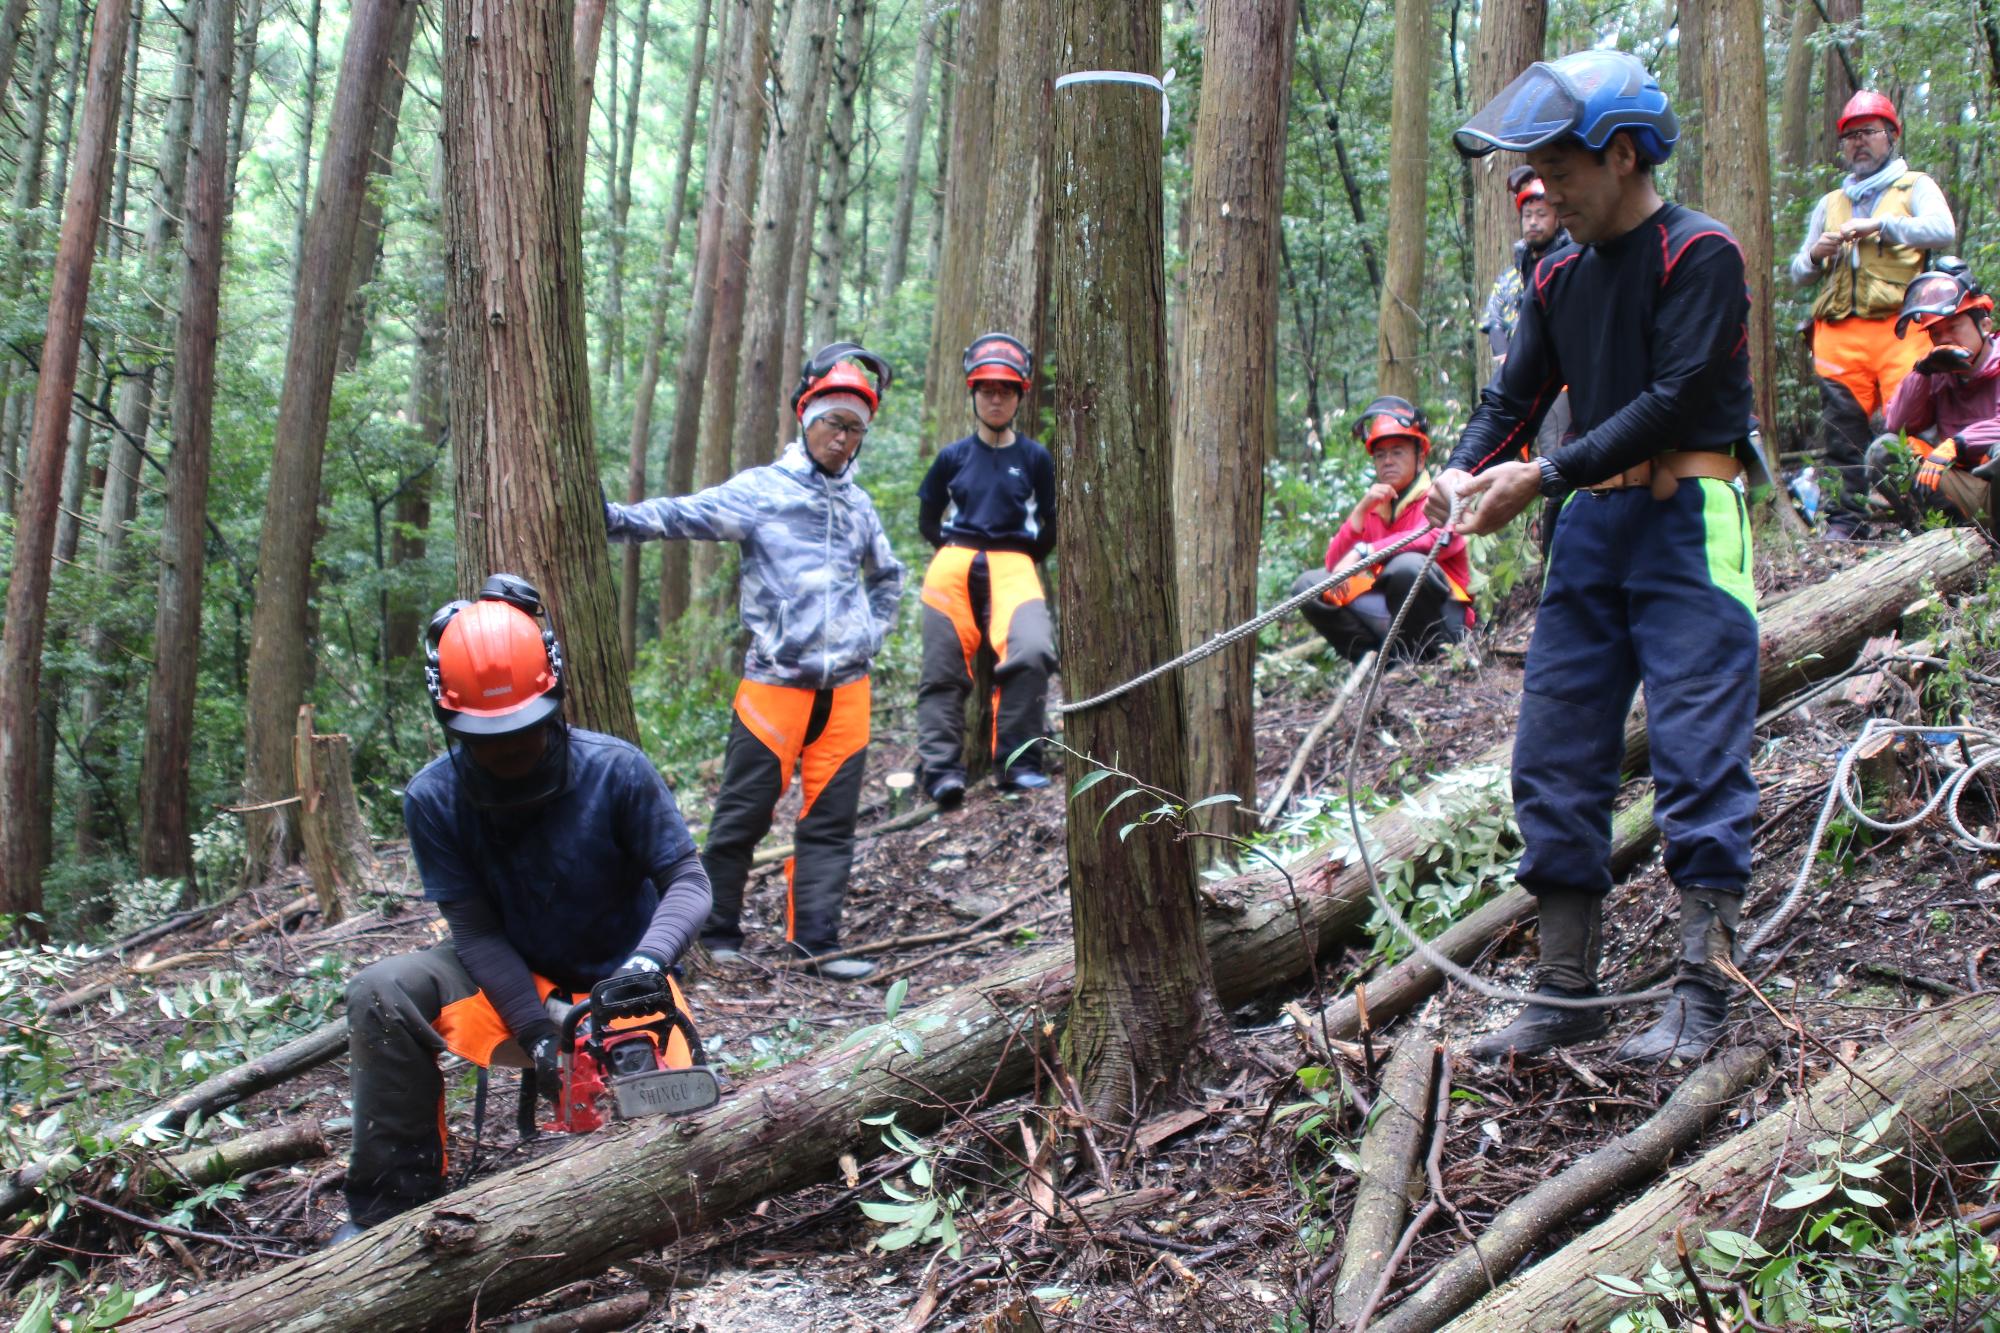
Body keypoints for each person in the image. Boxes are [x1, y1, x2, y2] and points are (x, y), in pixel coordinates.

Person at [1439, 50, 1759, 1066]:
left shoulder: (1700, 253)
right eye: (1535, 173)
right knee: (1553, 753)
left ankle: (1702, 989)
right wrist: (1459, 473)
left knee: (1696, 745)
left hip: (1688, 517)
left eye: (1561, 171)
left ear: (1622, 155)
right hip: (1585, 530)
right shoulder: (1557, 273)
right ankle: (1565, 992)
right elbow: (1512, 398)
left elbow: (1670, 398)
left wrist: (1539, 473)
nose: (1547, 193)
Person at [337, 575, 711, 1240]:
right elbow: (475, 930)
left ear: (553, 696)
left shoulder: (616, 770)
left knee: (669, 1155)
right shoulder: (434, 798)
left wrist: (648, 963)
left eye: (523, 730)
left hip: (623, 980)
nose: (510, 749)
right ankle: (387, 1211)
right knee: (382, 992)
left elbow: (687, 877)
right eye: (489, 737)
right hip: (508, 977)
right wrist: (537, 1032)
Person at [606, 344, 905, 981]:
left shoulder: (858, 505)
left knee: (831, 822)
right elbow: (685, 513)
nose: (842, 438)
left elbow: (889, 576)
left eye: (855, 428)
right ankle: (716, 933)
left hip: (847, 691)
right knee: (741, 816)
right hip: (775, 686)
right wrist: (611, 521)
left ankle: (816, 943)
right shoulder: (765, 491)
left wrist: (870, 633)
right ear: (807, 419)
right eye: (833, 422)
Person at [1788, 90, 1956, 537]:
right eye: (1850, 136)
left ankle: (1926, 519)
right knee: (1841, 435)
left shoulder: (1914, 186)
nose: (1858, 142)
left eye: (1868, 132)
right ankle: (1847, 521)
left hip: (1902, 330)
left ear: (1891, 136)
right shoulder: (1830, 203)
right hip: (1839, 336)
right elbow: (1799, 272)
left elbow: (1943, 229)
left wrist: (1881, 226)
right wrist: (1817, 254)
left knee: (1915, 429)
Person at [914, 333, 1058, 808]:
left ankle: (1019, 765)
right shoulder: (952, 456)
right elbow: (928, 518)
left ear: (1019, 396)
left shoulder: (1035, 458)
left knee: (1032, 651)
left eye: (1005, 391)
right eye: (987, 390)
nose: (996, 399)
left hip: (1014, 562)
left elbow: (1051, 523)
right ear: (973, 394)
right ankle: (941, 772)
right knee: (942, 670)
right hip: (954, 561)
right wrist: (953, 551)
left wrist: (1022, 556)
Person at [1291, 396, 1472, 664]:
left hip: (1444, 619)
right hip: (1391, 613)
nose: (1387, 461)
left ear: (1420, 458)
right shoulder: (1378, 507)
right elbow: (1333, 564)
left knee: (1407, 567)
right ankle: (1380, 664)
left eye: (1397, 452)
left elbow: (1436, 539)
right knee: (1309, 586)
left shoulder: (1439, 496)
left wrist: (1366, 550)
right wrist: (1360, 512)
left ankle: (1422, 659)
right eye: (1380, 455)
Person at [1866, 258, 1998, 528]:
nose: (1945, 339)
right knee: (1884, 450)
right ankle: (1949, 534)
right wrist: (1923, 372)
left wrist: (1957, 443)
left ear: (1984, 326)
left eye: (1953, 327)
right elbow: (1897, 425)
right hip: (1964, 489)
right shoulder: (1938, 373)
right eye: (1936, 333)